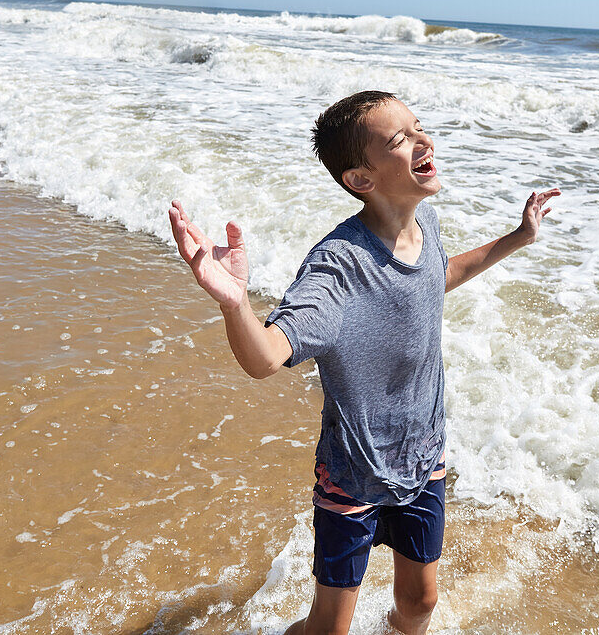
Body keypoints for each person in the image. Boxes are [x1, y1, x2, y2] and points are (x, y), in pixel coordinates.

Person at [167, 91, 559, 634]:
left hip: (422, 461)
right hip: (354, 475)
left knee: (420, 604)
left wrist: (519, 237)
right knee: (330, 628)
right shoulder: (339, 269)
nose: (424, 141)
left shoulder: (426, 227)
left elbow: (434, 279)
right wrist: (234, 303)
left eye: (420, 127)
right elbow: (266, 357)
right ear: (361, 180)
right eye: (401, 140)